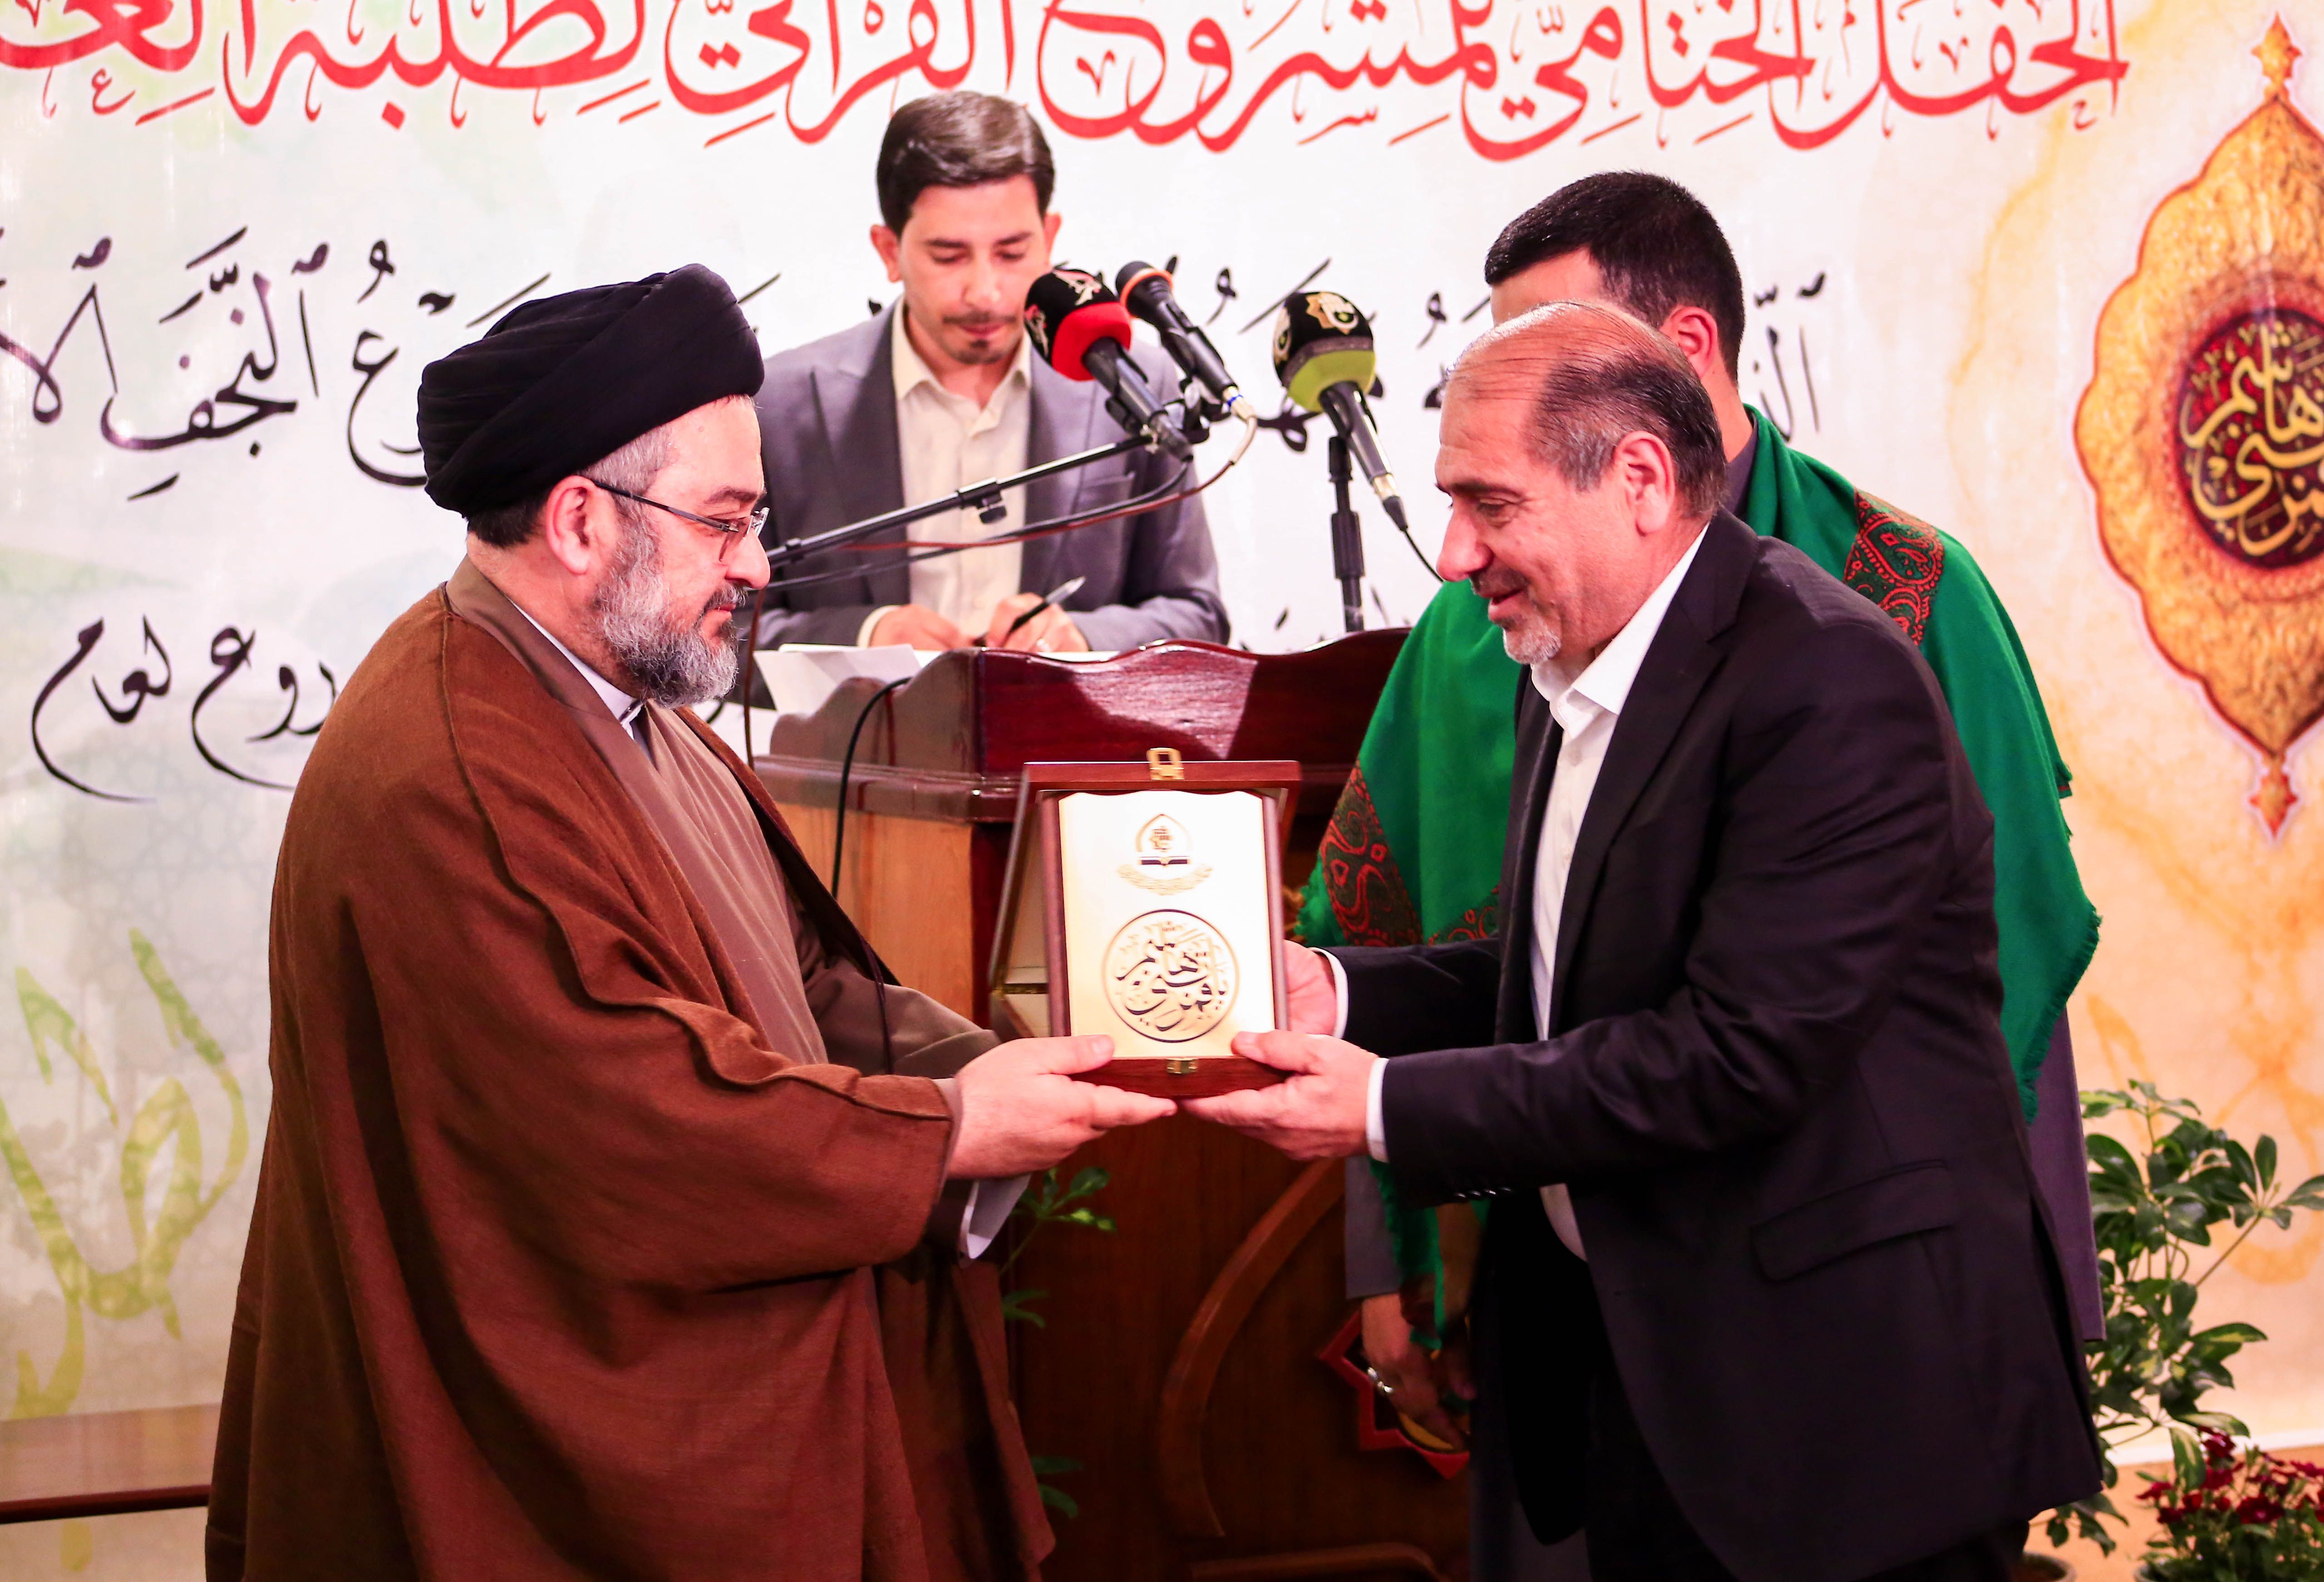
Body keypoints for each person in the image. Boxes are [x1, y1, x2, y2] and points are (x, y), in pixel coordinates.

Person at [204, 265, 1173, 1582]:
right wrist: (949, 1128)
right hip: (534, 1465)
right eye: (724, 522)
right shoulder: (453, 766)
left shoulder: (613, 700)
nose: (756, 564)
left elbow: (802, 982)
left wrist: (1017, 1061)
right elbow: (631, 1119)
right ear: (580, 521)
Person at [1195, 303, 2100, 1582]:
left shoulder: (1827, 680)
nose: (1453, 554)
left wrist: (1384, 1106)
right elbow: (1560, 971)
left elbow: (1734, 1053)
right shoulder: (1568, 659)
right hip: (1654, 1372)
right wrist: (1335, 993)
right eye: (1453, 504)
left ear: (1637, 479)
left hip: (1846, 1408)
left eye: (1489, 504)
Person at [751, 91, 1227, 657]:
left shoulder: (1135, 384)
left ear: (1049, 239)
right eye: (949, 256)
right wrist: (865, 636)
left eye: (1012, 253)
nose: (985, 292)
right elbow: (720, 628)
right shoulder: (784, 403)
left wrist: (1083, 640)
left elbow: (1197, 613)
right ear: (889, 251)